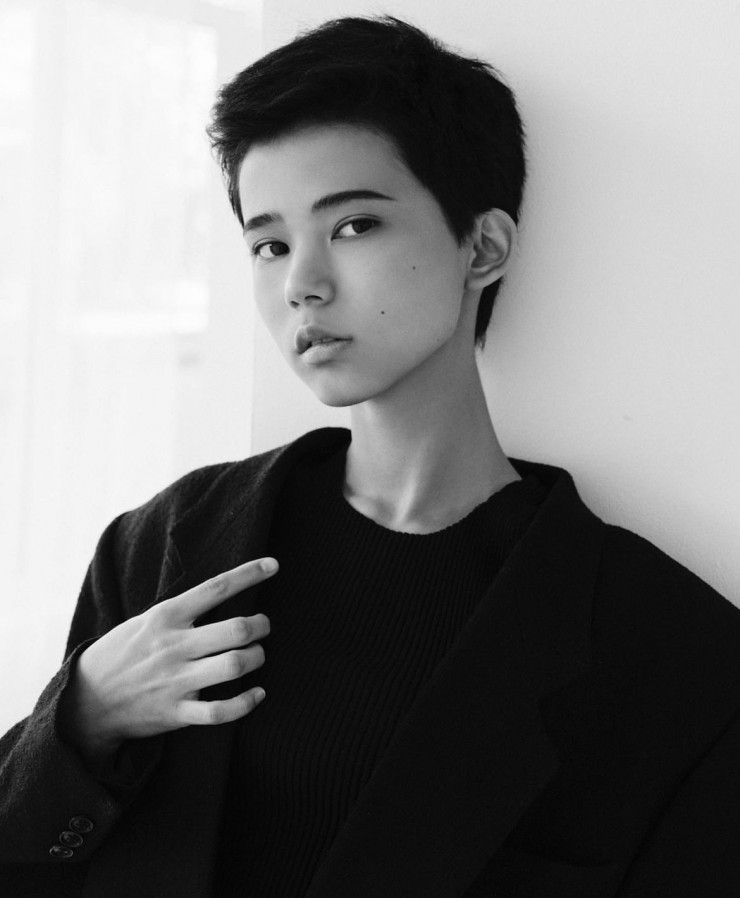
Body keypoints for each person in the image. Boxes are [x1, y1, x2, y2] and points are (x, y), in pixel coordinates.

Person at [1, 14, 739, 898]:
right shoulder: (168, 546)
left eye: (353, 226)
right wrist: (84, 716)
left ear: (482, 247)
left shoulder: (667, 651)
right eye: (270, 244)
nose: (301, 284)